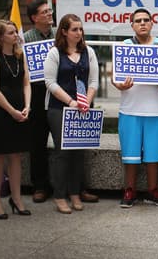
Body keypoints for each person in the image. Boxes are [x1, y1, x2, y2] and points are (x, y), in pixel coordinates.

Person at [112, 8, 158, 209]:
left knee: (154, 154)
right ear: (132, 25)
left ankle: (153, 190)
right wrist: (119, 85)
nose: (143, 23)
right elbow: (114, 76)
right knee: (130, 153)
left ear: (152, 23)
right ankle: (130, 190)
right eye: (138, 20)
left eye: (146, 20)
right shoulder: (125, 46)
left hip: (156, 109)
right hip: (130, 108)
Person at [44, 14, 98, 214]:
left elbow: (93, 81)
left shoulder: (88, 52)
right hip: (59, 108)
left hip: (83, 108)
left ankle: (75, 192)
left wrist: (86, 101)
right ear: (64, 31)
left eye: (80, 29)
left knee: (78, 152)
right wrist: (71, 102)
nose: (79, 33)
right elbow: (50, 83)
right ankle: (59, 195)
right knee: (62, 152)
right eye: (74, 29)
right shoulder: (55, 53)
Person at [0, 20, 31, 219]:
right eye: (11, 33)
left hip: (20, 110)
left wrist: (27, 106)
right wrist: (12, 111)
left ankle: (17, 198)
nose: (16, 35)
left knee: (16, 156)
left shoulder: (21, 57)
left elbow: (27, 83)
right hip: (1, 113)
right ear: (0, 37)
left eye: (15, 32)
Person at [23, 0, 55, 203]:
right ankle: (40, 186)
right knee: (37, 143)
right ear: (34, 18)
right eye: (44, 12)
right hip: (35, 96)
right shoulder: (25, 39)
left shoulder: (59, 36)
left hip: (58, 95)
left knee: (66, 144)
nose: (50, 14)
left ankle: (70, 186)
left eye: (50, 10)